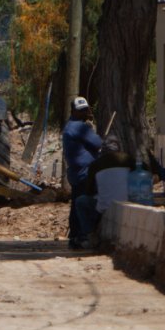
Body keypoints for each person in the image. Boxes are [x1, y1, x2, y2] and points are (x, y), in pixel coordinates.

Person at [62, 96, 102, 250]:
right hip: (85, 173)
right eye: (81, 111)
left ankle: (75, 236)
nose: (84, 113)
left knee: (76, 204)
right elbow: (98, 143)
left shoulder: (69, 126)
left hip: (76, 173)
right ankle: (82, 235)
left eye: (85, 109)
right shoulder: (80, 127)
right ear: (73, 111)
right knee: (84, 204)